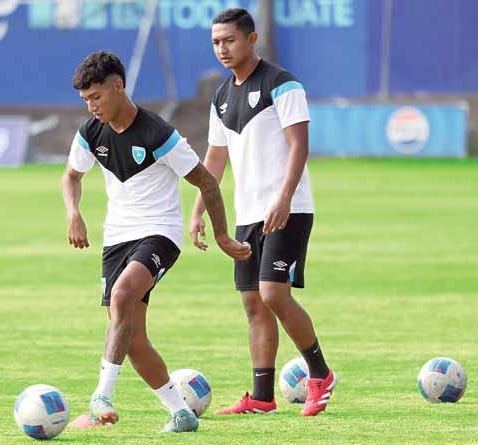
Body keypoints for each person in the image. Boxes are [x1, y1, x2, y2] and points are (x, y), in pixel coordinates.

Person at [62, 51, 251, 432]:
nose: (91, 106)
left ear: (118, 86)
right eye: (85, 100)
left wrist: (221, 234)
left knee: (121, 297)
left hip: (159, 234)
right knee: (132, 338)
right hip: (116, 239)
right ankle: (181, 413)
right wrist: (73, 213)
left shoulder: (158, 134)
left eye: (96, 96)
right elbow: (71, 176)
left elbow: (206, 181)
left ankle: (101, 397)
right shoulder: (91, 132)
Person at [190, 8, 336, 417]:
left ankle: (320, 375)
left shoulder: (282, 84)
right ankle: (261, 397)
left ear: (252, 39)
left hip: (288, 209)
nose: (222, 48)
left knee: (274, 294)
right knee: (254, 303)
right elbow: (214, 158)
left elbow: (299, 145)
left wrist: (285, 198)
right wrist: (199, 209)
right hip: (248, 214)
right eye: (216, 42)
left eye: (229, 40)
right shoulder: (221, 96)